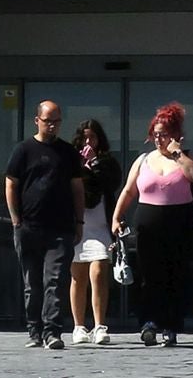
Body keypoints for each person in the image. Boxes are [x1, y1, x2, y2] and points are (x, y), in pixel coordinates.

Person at [111, 101, 193, 347]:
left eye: (164, 135)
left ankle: (171, 325)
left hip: (178, 223)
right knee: (149, 276)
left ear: (176, 136)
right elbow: (129, 191)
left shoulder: (185, 158)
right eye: (156, 135)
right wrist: (117, 216)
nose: (159, 140)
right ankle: (149, 322)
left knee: (175, 274)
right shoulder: (143, 160)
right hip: (147, 224)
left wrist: (177, 153)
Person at [5, 99, 84, 349]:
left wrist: (79, 221)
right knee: (33, 283)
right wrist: (16, 219)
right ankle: (34, 330)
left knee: (56, 280)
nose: (52, 126)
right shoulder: (23, 150)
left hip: (60, 227)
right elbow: (11, 184)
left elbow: (77, 188)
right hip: (29, 226)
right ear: (37, 120)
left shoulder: (67, 152)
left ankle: (53, 331)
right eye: (48, 121)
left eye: (57, 121)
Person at [68, 118, 122, 344]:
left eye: (93, 137)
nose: (88, 141)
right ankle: (79, 326)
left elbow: (112, 184)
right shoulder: (72, 162)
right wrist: (80, 165)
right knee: (78, 275)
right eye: (84, 137)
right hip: (78, 223)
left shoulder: (107, 162)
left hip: (100, 224)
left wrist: (93, 165)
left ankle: (100, 325)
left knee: (99, 271)